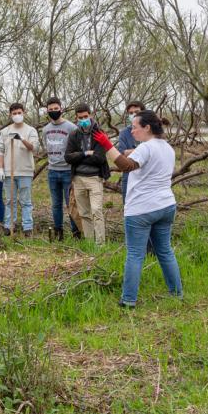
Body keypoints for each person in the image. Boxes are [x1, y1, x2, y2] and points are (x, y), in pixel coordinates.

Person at [92, 111, 182, 308]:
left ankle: (128, 300)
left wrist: (107, 145)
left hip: (141, 209)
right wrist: (125, 152)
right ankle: (176, 293)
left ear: (147, 128)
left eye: (134, 127)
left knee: (134, 254)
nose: (131, 131)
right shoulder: (166, 147)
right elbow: (136, 156)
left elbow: (126, 166)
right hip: (166, 206)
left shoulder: (146, 147)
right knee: (165, 251)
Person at [64, 104, 111, 244]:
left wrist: (78, 158)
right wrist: (85, 153)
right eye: (80, 118)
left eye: (86, 116)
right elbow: (67, 157)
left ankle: (100, 243)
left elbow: (99, 158)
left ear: (90, 115)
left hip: (95, 178)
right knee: (84, 213)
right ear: (76, 118)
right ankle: (90, 243)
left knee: (96, 211)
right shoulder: (74, 134)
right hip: (78, 179)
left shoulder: (99, 133)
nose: (83, 119)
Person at [0, 102, 39, 237]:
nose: (17, 115)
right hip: (9, 172)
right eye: (14, 113)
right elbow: (0, 151)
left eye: (19, 113)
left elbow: (34, 148)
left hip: (25, 171)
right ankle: (9, 226)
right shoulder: (4, 132)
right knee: (10, 200)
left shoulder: (30, 130)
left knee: (26, 201)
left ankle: (27, 228)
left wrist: (21, 139)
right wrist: (0, 169)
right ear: (10, 115)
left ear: (23, 113)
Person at [43, 96, 80, 240]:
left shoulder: (71, 127)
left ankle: (76, 233)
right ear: (47, 111)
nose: (53, 111)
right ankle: (58, 233)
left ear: (61, 109)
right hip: (52, 171)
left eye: (56, 109)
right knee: (56, 204)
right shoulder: (46, 129)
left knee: (70, 203)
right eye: (50, 109)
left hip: (67, 171)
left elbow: (76, 149)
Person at [116, 101, 146, 200]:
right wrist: (143, 150)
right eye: (131, 113)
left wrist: (130, 151)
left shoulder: (150, 130)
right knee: (128, 207)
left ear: (143, 112)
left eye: (136, 112)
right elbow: (122, 153)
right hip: (128, 176)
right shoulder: (124, 133)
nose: (134, 115)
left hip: (146, 176)